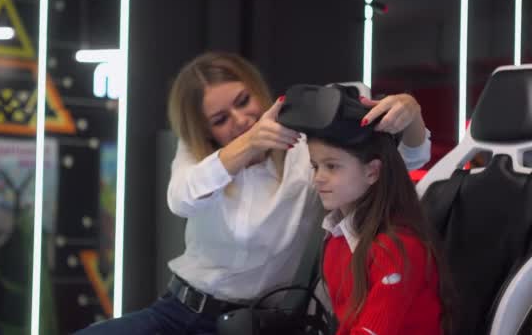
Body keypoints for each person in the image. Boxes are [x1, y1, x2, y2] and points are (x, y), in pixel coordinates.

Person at [75, 51, 431, 334]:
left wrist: (409, 111)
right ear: (206, 132)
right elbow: (180, 199)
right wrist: (247, 145)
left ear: (257, 88)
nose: (241, 118)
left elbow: (412, 154)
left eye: (244, 100)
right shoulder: (200, 155)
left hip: (258, 323)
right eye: (220, 119)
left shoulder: (307, 147)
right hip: (179, 312)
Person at [307, 130, 451, 334]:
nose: (318, 178)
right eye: (315, 166)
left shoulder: (397, 248)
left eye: (331, 166)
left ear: (372, 172)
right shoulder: (336, 238)